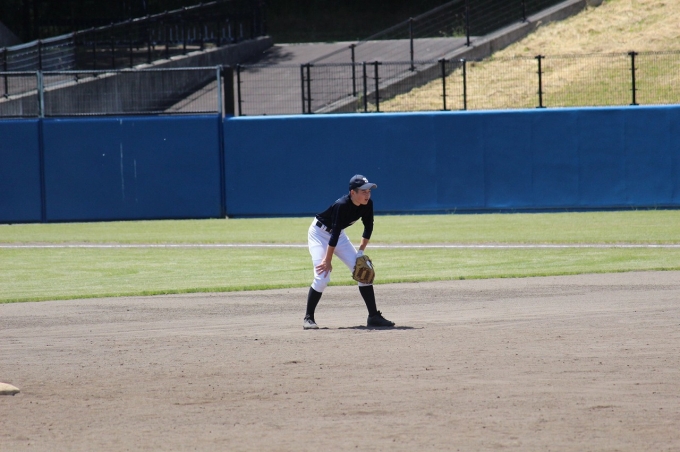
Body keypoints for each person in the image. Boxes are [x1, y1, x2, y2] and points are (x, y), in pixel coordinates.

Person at [304, 174, 395, 329]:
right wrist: (327, 260)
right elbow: (333, 235)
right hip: (319, 234)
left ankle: (373, 316)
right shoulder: (341, 205)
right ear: (353, 192)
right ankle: (308, 318)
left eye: (369, 191)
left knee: (364, 272)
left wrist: (360, 252)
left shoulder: (368, 204)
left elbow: (368, 227)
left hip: (338, 236)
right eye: (363, 191)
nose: (367, 194)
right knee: (322, 276)